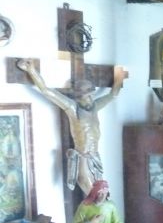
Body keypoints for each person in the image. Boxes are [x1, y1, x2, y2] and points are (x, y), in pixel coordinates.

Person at [16, 59, 125, 195]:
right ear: (78, 97)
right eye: (87, 96)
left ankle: (98, 205)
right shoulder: (73, 108)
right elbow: (46, 91)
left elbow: (113, 94)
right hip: (82, 156)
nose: (91, 99)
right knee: (91, 191)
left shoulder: (95, 107)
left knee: (100, 191)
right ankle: (93, 205)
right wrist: (31, 70)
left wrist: (120, 74)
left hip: (95, 156)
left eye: (92, 95)